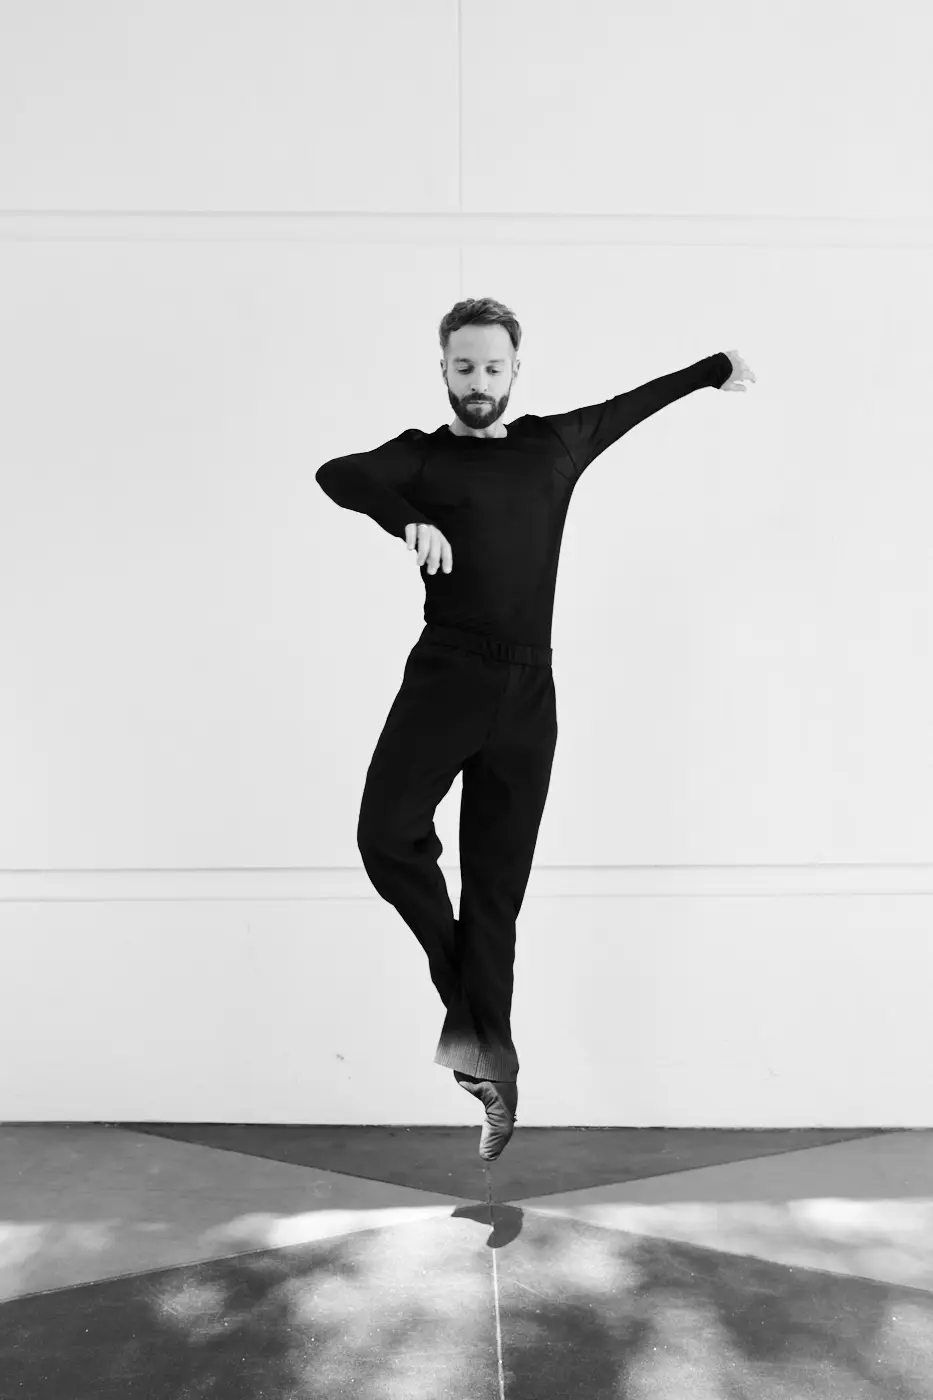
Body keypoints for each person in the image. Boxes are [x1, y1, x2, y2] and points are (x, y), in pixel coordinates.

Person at [316, 296, 751, 1160]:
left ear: (516, 370)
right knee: (385, 836)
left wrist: (712, 370)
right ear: (442, 369)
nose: (477, 382)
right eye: (463, 367)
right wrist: (407, 518)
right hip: (447, 676)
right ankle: (472, 1015)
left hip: (529, 694)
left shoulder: (554, 445)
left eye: (492, 367)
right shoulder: (420, 456)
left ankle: (491, 1068)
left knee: (496, 894)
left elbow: (631, 406)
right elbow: (338, 472)